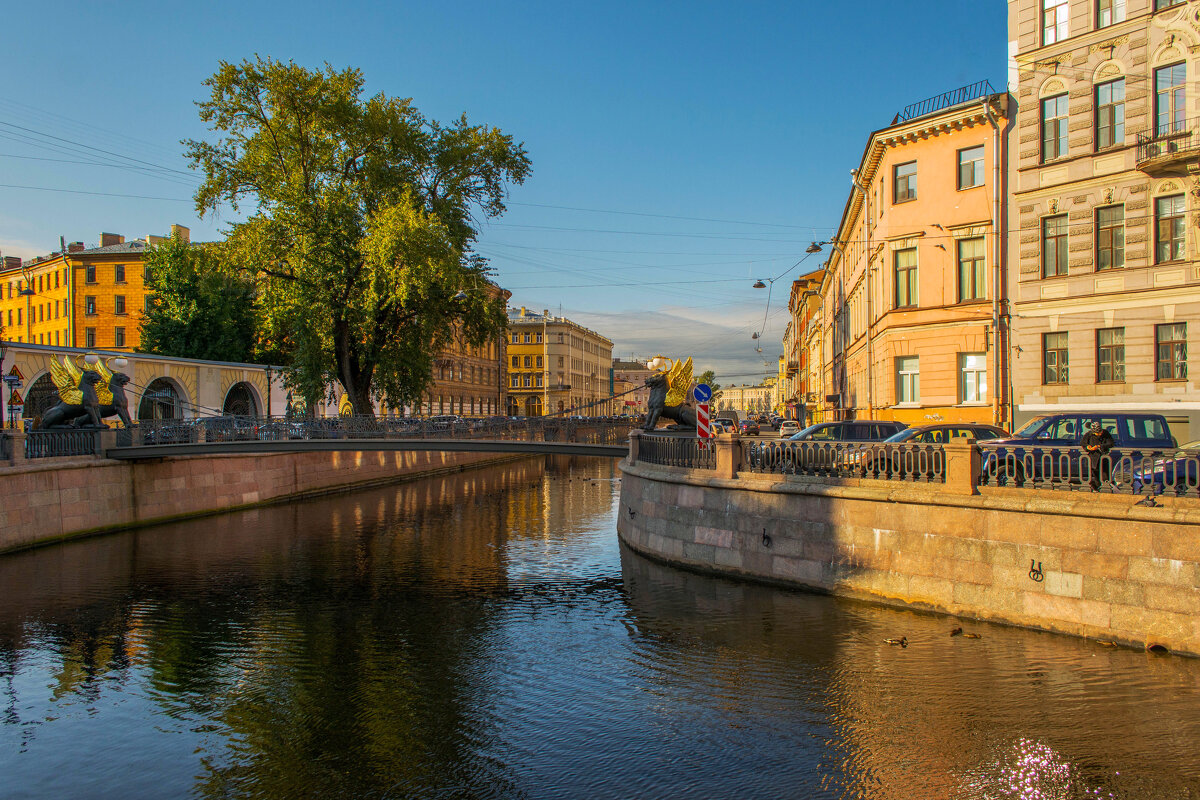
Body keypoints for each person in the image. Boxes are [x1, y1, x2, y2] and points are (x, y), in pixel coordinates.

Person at [1080, 420, 1114, 492]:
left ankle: (1106, 488)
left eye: (1099, 433)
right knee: (1095, 475)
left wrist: (1099, 446)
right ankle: (1097, 487)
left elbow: (1110, 443)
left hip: (1103, 457)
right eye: (1096, 433)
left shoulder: (1106, 434)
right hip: (1093, 458)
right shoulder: (1089, 434)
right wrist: (1088, 447)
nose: (1098, 434)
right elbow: (1083, 443)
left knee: (1105, 475)